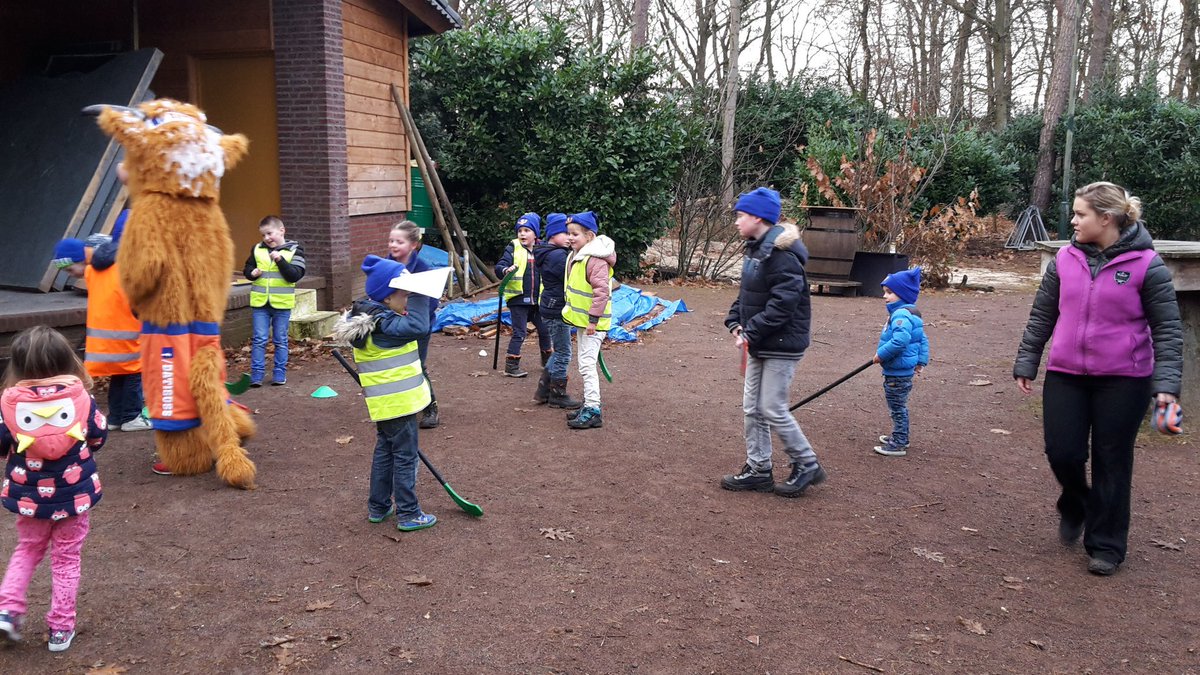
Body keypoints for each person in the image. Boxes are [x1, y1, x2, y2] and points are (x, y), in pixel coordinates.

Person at [1014, 181, 1182, 576]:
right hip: (1066, 373)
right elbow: (1043, 315)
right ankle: (1076, 501)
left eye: (1080, 214)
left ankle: (1106, 545)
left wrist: (1166, 388)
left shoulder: (1146, 265)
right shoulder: (1064, 260)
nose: (1073, 220)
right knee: (1063, 452)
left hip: (1124, 379)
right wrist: (1028, 360)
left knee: (1112, 460)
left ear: (1106, 219)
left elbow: (1168, 330)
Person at [0, 325, 107, 652]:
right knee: (66, 558)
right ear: (68, 361)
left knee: (28, 549)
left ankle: (7, 610)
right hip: (74, 498)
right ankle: (60, 629)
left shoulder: (9, 405)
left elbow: (3, 443)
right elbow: (99, 436)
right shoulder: (82, 400)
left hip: (29, 499)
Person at [720, 188, 826, 497]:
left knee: (772, 407)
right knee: (752, 407)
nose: (737, 222)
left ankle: (807, 463)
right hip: (761, 341)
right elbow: (747, 294)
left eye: (740, 216)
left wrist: (751, 332)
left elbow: (783, 304)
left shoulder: (782, 255)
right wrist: (734, 320)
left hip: (780, 344)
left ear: (757, 217)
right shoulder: (756, 250)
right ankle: (759, 469)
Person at [332, 255, 439, 532]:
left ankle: (378, 507)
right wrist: (420, 291)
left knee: (385, 452)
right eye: (404, 294)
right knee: (405, 455)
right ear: (388, 297)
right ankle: (409, 513)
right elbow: (419, 326)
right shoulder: (386, 325)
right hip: (399, 403)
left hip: (385, 403)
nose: (406, 299)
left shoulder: (375, 320)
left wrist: (411, 290)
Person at [52, 218, 151, 433]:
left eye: (70, 269)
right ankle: (131, 416)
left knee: (119, 375)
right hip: (127, 332)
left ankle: (116, 417)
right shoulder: (116, 265)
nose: (72, 275)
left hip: (104, 340)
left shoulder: (93, 271)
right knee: (134, 374)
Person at [562, 211, 616, 430]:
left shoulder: (594, 260)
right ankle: (589, 404)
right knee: (584, 363)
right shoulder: (579, 255)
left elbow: (601, 292)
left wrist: (593, 320)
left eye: (575, 234)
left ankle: (593, 409)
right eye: (569, 233)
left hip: (593, 324)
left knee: (586, 365)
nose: (570, 237)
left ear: (590, 236)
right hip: (584, 322)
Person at [387, 221, 441, 429]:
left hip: (419, 326)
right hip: (393, 324)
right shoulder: (386, 265)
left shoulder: (422, 269)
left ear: (414, 244)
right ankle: (401, 405)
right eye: (391, 240)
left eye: (399, 241)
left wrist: (415, 314)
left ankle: (430, 407)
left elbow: (432, 300)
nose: (393, 245)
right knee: (397, 366)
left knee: (417, 366)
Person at [872, 267, 930, 457]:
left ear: (903, 294)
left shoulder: (901, 315)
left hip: (897, 372)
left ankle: (899, 441)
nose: (885, 297)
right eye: (884, 292)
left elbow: (900, 341)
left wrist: (880, 355)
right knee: (898, 406)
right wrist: (921, 361)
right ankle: (900, 436)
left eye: (889, 292)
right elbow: (921, 338)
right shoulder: (912, 313)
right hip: (903, 370)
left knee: (897, 407)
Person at [243, 215, 306, 387]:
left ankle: (279, 374)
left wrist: (280, 260)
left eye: (269, 233)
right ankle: (256, 375)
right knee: (259, 339)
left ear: (281, 231)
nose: (266, 238)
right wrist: (251, 273)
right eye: (263, 235)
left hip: (282, 304)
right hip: (260, 304)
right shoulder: (257, 249)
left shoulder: (295, 250)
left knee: (280, 339)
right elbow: (247, 269)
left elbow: (295, 275)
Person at [533, 213, 582, 410]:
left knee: (560, 350)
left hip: (551, 307)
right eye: (565, 233)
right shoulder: (557, 256)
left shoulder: (552, 253)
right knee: (563, 352)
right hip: (556, 310)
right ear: (553, 235)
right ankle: (557, 394)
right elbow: (574, 276)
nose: (569, 237)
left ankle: (544, 389)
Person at [494, 213, 552, 378]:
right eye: (520, 230)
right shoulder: (513, 247)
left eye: (527, 230)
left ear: (535, 234)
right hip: (518, 299)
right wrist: (505, 270)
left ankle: (548, 362)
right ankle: (511, 365)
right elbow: (500, 266)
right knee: (520, 332)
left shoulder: (544, 248)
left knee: (545, 329)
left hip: (539, 300)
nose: (522, 234)